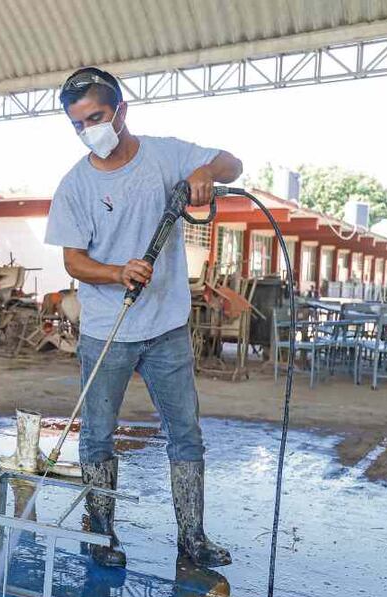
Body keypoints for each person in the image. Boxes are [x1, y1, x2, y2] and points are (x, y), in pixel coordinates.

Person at [45, 66, 243, 569]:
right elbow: (73, 262)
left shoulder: (165, 155)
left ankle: (192, 538)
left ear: (121, 111)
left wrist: (203, 174)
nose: (90, 130)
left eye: (97, 117)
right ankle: (102, 535)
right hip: (105, 331)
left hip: (167, 329)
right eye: (78, 124)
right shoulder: (74, 185)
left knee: (185, 433)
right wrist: (116, 272)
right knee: (96, 434)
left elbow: (233, 164)